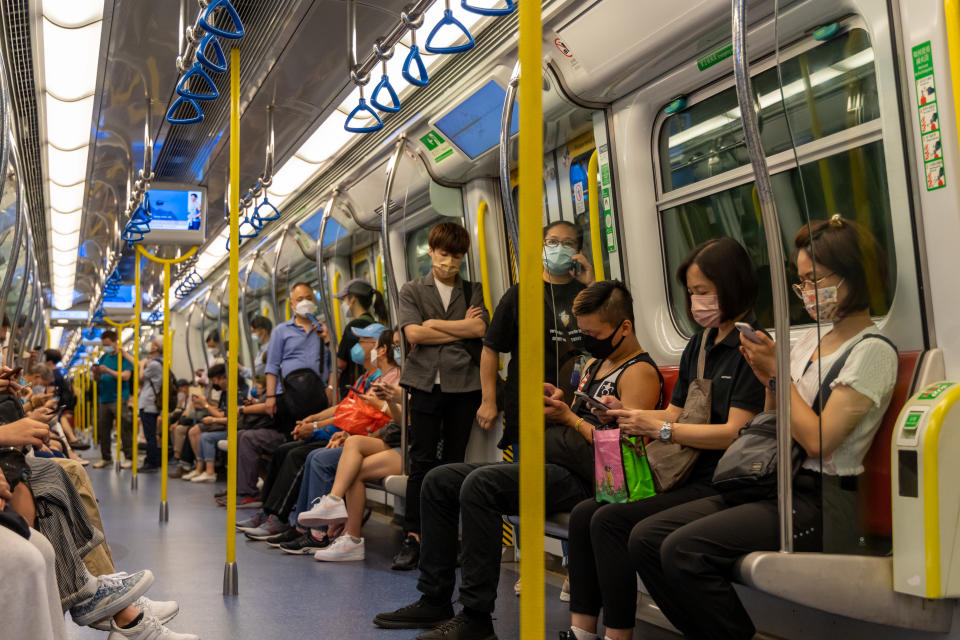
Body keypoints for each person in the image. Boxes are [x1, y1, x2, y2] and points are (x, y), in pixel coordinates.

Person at [629, 215, 897, 640]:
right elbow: (771, 420)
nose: (807, 292)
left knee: (684, 550)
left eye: (815, 280)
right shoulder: (808, 341)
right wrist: (768, 378)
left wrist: (779, 376)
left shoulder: (873, 352)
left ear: (853, 276)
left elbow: (818, 441)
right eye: (802, 281)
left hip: (822, 500)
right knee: (645, 537)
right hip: (775, 483)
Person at [373, 281, 662, 640]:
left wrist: (569, 419)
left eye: (594, 333)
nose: (587, 339)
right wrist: (564, 402)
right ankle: (434, 598)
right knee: (440, 479)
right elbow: (583, 415)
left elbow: (624, 453)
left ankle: (476, 617)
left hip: (588, 477)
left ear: (624, 328)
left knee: (481, 486)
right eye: (583, 332)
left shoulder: (639, 373)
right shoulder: (596, 365)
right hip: (557, 460)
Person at [561, 237, 766, 640]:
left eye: (704, 291)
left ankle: (618, 635)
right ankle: (582, 633)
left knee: (610, 522)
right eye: (691, 292)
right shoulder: (699, 344)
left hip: (718, 476)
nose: (696, 301)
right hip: (685, 468)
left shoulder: (751, 347)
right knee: (587, 512)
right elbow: (674, 412)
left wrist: (661, 430)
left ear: (732, 285)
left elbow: (733, 433)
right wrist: (627, 416)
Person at [394, 221, 488, 571]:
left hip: (464, 385)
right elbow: (413, 332)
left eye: (457, 256)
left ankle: (446, 536)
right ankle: (414, 536)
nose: (449, 262)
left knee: (453, 463)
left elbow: (478, 329)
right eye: (444, 254)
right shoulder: (412, 290)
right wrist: (454, 330)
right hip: (424, 384)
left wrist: (435, 326)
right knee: (421, 462)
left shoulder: (472, 289)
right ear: (431, 251)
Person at [240, 323, 390, 543]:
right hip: (345, 433)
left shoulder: (380, 380)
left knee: (301, 456)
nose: (356, 347)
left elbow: (356, 417)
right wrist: (314, 419)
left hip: (357, 438)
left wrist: (318, 427)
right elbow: (343, 408)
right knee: (284, 451)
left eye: (362, 342)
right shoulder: (363, 378)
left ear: (378, 347)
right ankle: (271, 512)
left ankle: (298, 524)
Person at [478, 220, 594, 452]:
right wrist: (488, 401)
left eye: (568, 243)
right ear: (542, 247)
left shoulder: (586, 295)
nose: (559, 248)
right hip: (527, 405)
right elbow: (491, 348)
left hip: (576, 405)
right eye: (552, 242)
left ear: (577, 253)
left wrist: (591, 284)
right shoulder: (519, 295)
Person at [291, 328, 405, 558]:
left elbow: (403, 421)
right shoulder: (374, 379)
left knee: (328, 459)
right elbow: (392, 416)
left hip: (406, 444)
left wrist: (382, 404)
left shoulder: (403, 377)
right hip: (391, 437)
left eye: (398, 345)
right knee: (350, 448)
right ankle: (332, 508)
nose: (397, 350)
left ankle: (339, 531)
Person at [264, 282, 329, 434]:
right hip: (289, 394)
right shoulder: (281, 331)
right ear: (292, 305)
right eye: (300, 299)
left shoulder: (324, 329)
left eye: (308, 298)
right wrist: (270, 396)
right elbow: (272, 366)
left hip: (318, 392)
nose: (305, 302)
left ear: (314, 301)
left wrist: (331, 389)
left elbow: (333, 364)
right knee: (292, 436)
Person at [183, 363, 246, 483]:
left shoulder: (236, 392)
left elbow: (227, 416)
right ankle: (199, 468)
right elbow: (221, 410)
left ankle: (209, 471)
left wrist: (206, 406)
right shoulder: (225, 392)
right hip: (224, 425)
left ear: (223, 377)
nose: (214, 383)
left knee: (205, 436)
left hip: (233, 427)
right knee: (194, 430)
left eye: (215, 380)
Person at [334, 278, 389, 398]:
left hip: (355, 386)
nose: (342, 304)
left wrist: (328, 342)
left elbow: (341, 363)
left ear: (352, 299)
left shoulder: (353, 326)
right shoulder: (373, 323)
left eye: (343, 299)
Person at [92, 329, 134, 469]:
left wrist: (108, 371)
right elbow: (98, 378)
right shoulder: (104, 357)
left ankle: (129, 457)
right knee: (103, 429)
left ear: (115, 343)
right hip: (104, 398)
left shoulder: (124, 357)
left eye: (108, 344)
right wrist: (96, 373)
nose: (106, 347)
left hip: (119, 397)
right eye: (104, 344)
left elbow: (126, 376)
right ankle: (106, 457)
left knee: (124, 428)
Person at [138, 336, 164, 473]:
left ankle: (152, 462)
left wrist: (142, 365)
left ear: (156, 347)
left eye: (153, 344)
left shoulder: (154, 364)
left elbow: (140, 378)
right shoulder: (159, 362)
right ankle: (151, 460)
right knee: (150, 434)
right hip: (150, 403)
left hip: (148, 403)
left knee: (150, 435)